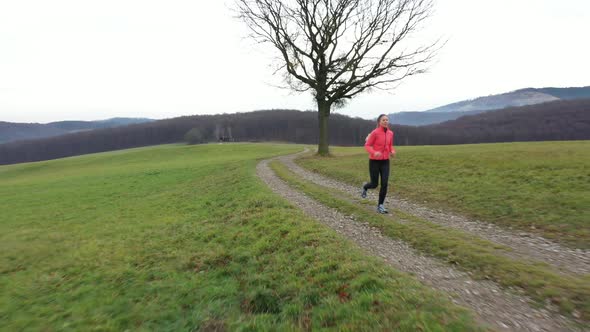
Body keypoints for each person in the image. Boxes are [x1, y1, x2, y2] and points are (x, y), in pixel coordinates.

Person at [361, 114, 396, 214]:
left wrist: (392, 151)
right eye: (383, 120)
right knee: (374, 184)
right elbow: (367, 145)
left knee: (384, 184)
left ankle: (380, 205)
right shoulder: (375, 133)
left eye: (387, 120)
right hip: (374, 161)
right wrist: (374, 152)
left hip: (385, 161)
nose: (385, 121)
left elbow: (390, 146)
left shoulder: (390, 133)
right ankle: (365, 187)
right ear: (379, 122)